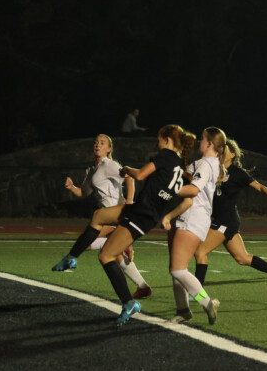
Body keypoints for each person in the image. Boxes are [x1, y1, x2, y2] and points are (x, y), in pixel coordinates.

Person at [61, 125, 196, 325]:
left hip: (142, 214)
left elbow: (140, 175)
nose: (156, 142)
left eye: (159, 138)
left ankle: (129, 302)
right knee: (99, 217)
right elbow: (189, 190)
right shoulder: (177, 164)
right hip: (141, 211)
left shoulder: (165, 156)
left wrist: (127, 170)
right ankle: (71, 257)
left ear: (167, 140)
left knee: (106, 255)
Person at [52, 134, 152, 299]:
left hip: (114, 215)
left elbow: (129, 177)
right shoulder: (92, 169)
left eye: (102, 143)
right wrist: (71, 187)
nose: (98, 145)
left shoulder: (109, 165)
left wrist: (129, 201)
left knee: (84, 244)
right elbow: (83, 192)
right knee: (113, 253)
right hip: (104, 217)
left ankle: (120, 245)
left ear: (109, 149)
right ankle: (143, 286)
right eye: (96, 142)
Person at [192, 138, 267, 294]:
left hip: (226, 220)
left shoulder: (238, 173)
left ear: (232, 154)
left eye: (224, 150)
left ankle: (196, 293)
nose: (220, 152)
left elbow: (260, 187)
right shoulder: (213, 169)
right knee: (243, 258)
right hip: (222, 219)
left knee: (200, 252)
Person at [160, 127, 227, 325]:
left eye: (202, 139)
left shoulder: (206, 164)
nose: (199, 142)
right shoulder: (205, 163)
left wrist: (171, 188)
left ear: (210, 144)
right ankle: (183, 310)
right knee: (177, 269)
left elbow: (194, 189)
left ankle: (207, 303)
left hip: (193, 218)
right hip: (187, 216)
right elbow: (187, 175)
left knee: (177, 270)